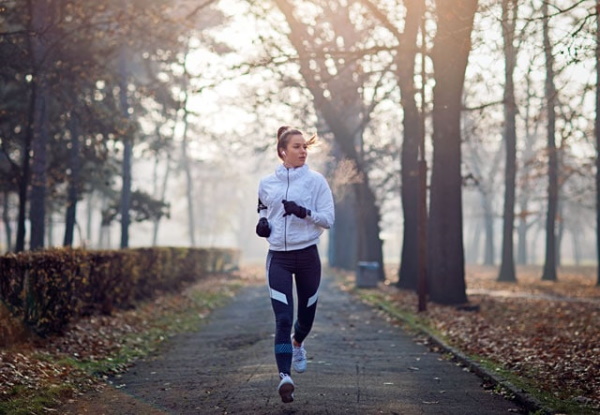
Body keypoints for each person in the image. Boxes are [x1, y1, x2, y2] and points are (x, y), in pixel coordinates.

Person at [255, 125, 335, 403]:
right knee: (283, 318)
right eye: (297, 147)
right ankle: (284, 377)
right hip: (278, 257)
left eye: (305, 147)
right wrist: (263, 225)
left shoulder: (316, 181)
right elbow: (264, 208)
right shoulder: (267, 183)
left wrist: (304, 212)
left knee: (306, 317)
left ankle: (298, 343)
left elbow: (328, 219)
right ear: (282, 152)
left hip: (307, 256)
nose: (303, 151)